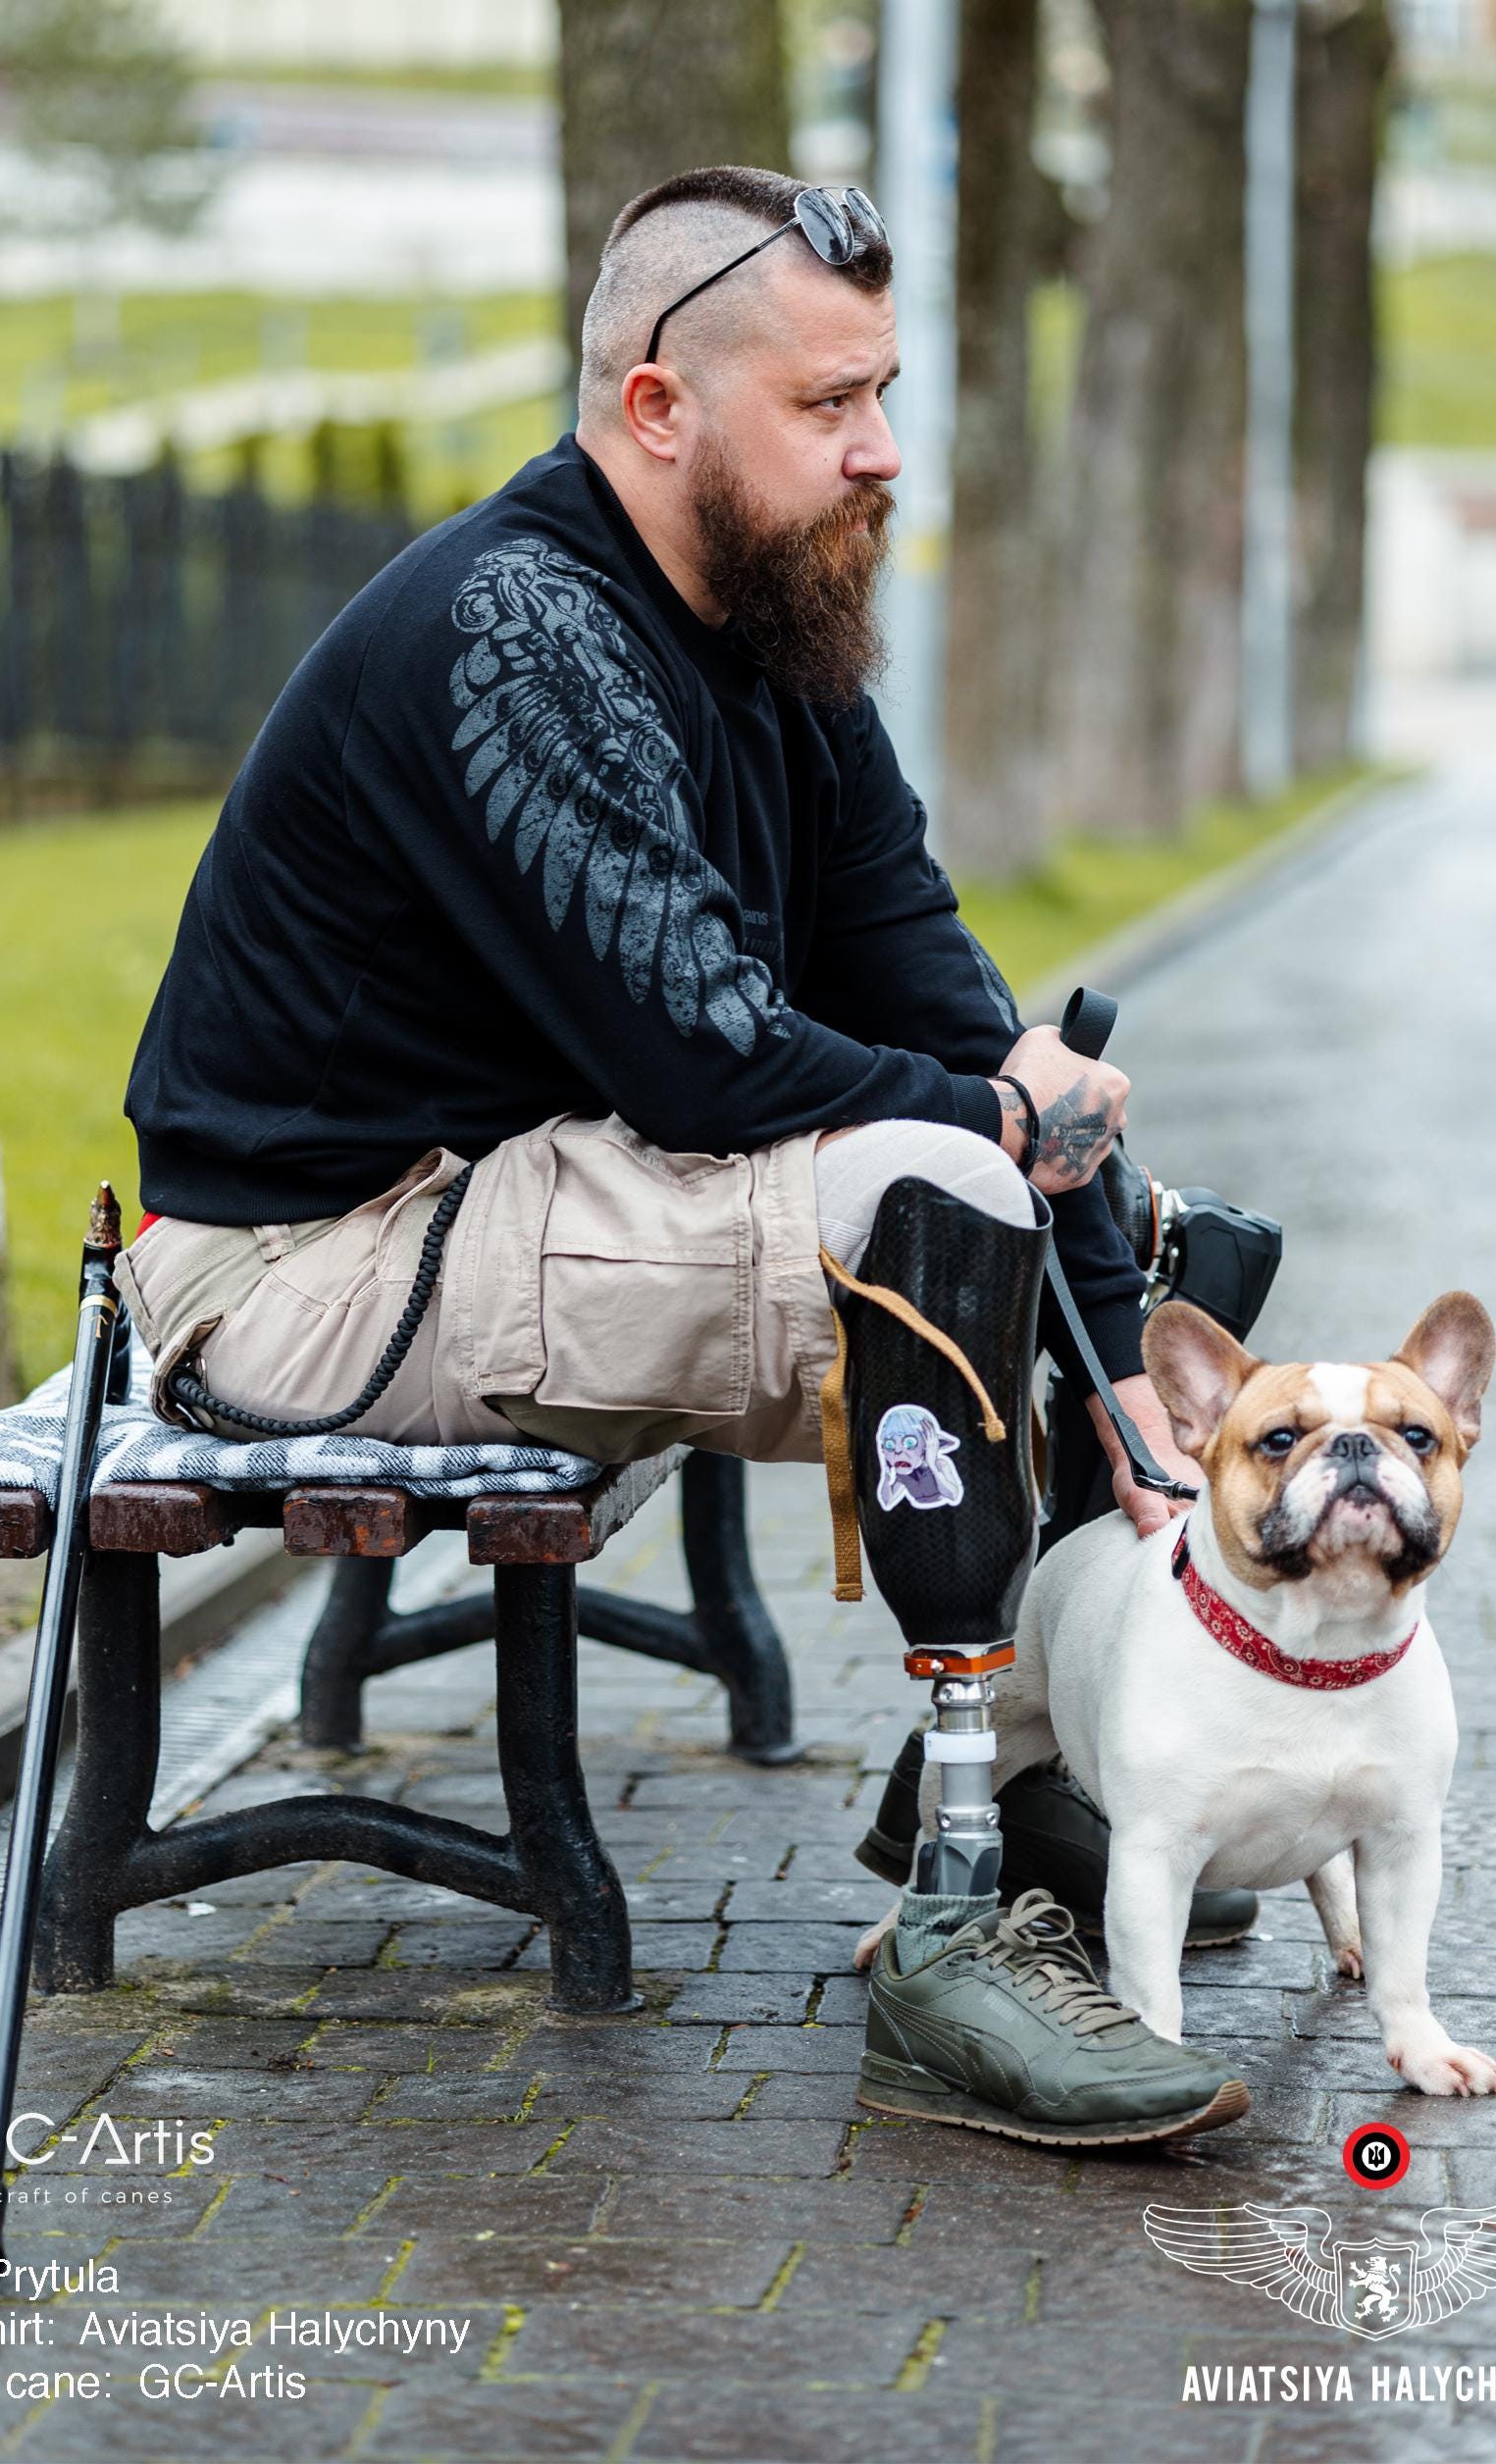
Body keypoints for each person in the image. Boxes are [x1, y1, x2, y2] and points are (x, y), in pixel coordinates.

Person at [117, 165, 1246, 2147]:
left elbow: (914, 966)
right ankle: (958, 1935)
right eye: (828, 405)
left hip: (516, 1186)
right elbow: (715, 1062)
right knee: (942, 1209)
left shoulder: (776, 627)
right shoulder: (519, 627)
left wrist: (1045, 1099)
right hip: (308, 1267)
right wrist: (998, 1134)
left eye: (884, 393)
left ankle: (1017, 1777)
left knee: (1150, 1233)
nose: (882, 450)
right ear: (658, 407)